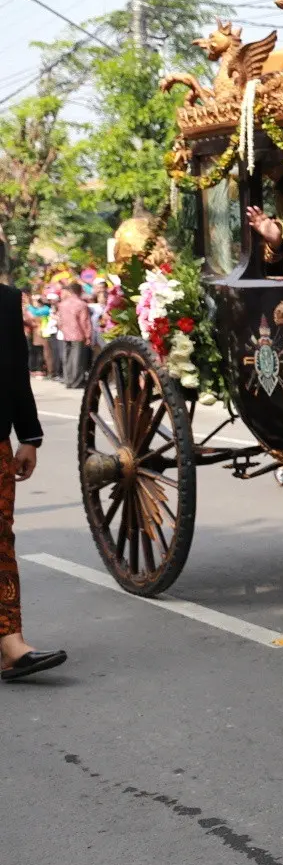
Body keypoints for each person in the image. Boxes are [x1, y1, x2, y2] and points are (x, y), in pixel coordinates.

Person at [0, 276, 57, 682]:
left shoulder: (5, 301)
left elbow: (14, 367)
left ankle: (11, 643)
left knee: (0, 538)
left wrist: (30, 436)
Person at [55, 282, 91, 389]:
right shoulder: (81, 304)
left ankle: (68, 380)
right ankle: (76, 381)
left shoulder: (62, 304)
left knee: (67, 358)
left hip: (66, 333)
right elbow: (84, 322)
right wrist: (88, 335)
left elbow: (60, 320)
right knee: (77, 358)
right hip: (78, 333)